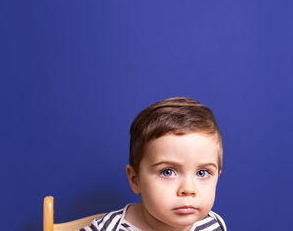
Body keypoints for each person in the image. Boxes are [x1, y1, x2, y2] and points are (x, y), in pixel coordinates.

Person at [80, 97, 226, 231]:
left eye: (202, 173)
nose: (188, 189)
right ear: (135, 180)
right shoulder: (109, 228)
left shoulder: (212, 225)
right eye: (167, 172)